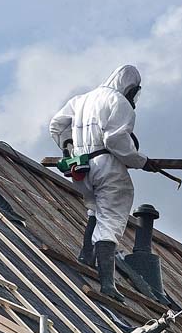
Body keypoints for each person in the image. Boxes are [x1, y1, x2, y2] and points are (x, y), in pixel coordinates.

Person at [49, 65, 160, 302]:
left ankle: (86, 255)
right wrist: (141, 161)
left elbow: (56, 125)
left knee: (95, 209)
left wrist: (68, 148)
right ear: (131, 88)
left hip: (83, 167)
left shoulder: (80, 100)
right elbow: (116, 139)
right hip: (107, 165)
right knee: (111, 218)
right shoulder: (118, 102)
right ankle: (108, 284)